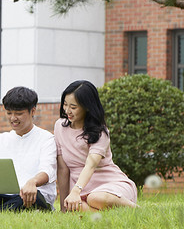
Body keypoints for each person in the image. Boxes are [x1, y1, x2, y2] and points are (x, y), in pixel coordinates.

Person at [55, 80, 138, 211]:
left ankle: (136, 209)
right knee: (75, 208)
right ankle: (114, 213)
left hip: (110, 185)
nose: (67, 110)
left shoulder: (100, 132)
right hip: (80, 191)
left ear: (87, 107)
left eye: (73, 107)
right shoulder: (59, 126)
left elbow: (91, 165)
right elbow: (62, 169)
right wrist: (63, 208)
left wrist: (76, 190)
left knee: (95, 198)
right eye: (65, 105)